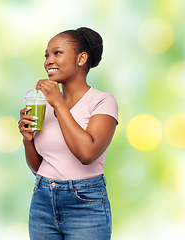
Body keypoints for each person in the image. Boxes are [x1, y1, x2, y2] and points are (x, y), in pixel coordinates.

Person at [18, 27, 118, 240]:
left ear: (81, 58)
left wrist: (58, 104)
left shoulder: (102, 101)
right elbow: (40, 167)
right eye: (46, 55)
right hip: (42, 201)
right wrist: (28, 140)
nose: (48, 61)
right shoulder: (42, 104)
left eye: (57, 53)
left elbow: (87, 154)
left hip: (85, 203)